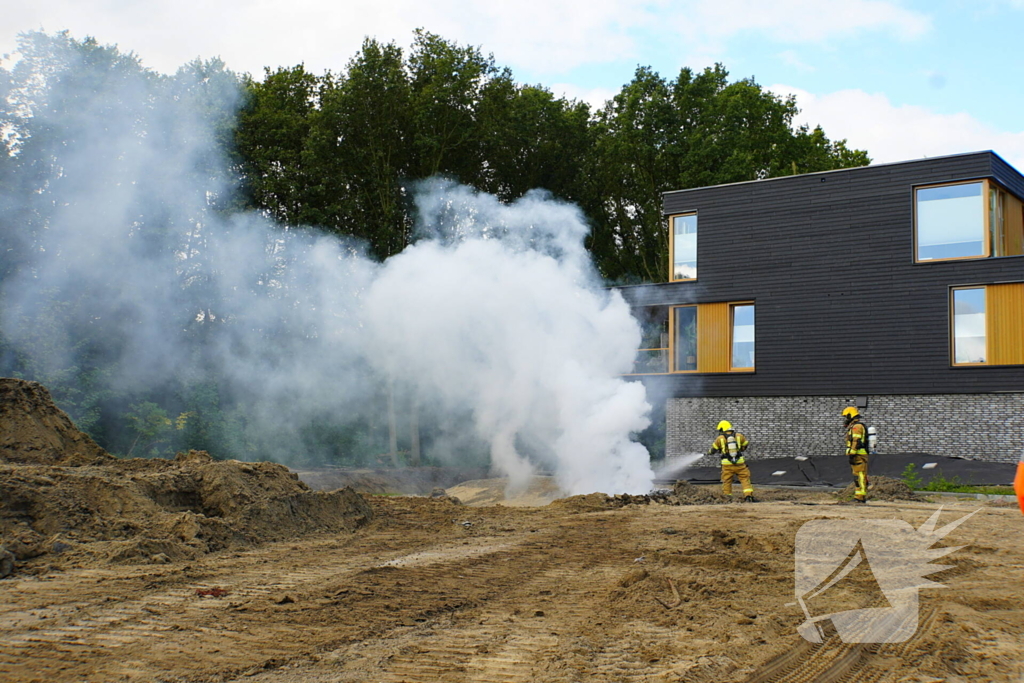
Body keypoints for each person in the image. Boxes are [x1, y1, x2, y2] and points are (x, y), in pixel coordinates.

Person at [709, 420, 755, 502]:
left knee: (727, 481)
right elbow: (745, 445)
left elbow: (713, 449)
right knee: (745, 479)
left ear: (722, 428)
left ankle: (727, 498)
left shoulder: (720, 438)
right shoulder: (739, 436)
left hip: (727, 464)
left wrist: (709, 452)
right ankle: (748, 496)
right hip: (740, 463)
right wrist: (740, 448)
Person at [843, 406, 869, 503]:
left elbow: (856, 440)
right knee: (857, 476)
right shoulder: (854, 426)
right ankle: (859, 495)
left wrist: (852, 452)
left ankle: (860, 497)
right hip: (857, 455)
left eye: (846, 416)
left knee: (860, 476)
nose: (846, 419)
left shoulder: (857, 427)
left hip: (859, 455)